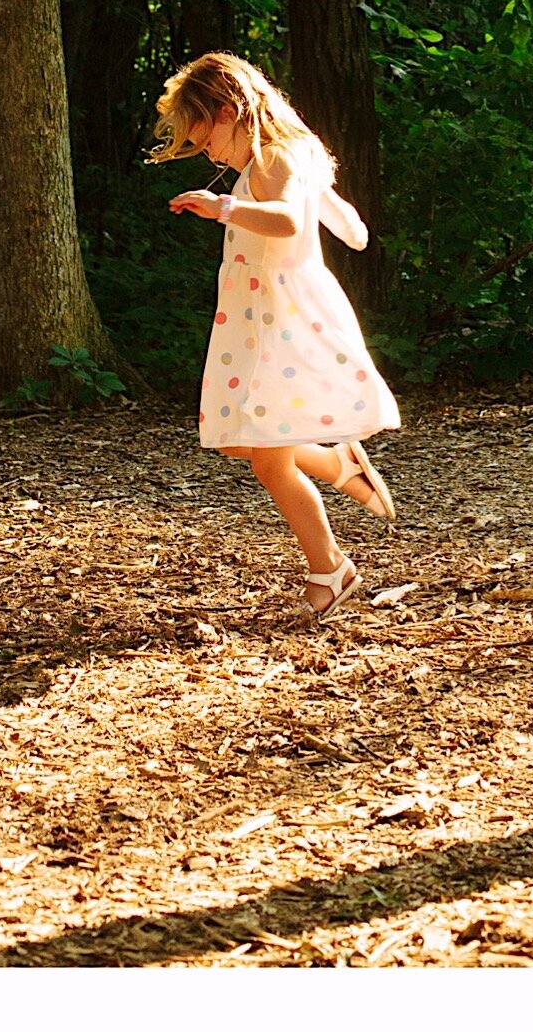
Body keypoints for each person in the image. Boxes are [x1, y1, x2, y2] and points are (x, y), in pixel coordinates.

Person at [151, 51, 400, 618]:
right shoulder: (290, 155)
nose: (206, 151)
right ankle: (337, 466)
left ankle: (329, 569)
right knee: (237, 434)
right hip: (254, 315)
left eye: (203, 136)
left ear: (229, 109)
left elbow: (287, 219)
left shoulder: (277, 158)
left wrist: (225, 209)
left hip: (280, 318)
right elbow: (355, 232)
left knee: (267, 458)